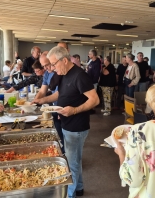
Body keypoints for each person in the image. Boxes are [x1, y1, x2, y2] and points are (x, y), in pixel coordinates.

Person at [35, 46, 99, 198]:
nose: (51, 68)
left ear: (64, 60)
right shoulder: (64, 73)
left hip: (76, 125)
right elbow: (59, 94)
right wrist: (42, 100)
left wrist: (74, 110)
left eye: (54, 64)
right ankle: (79, 188)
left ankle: (69, 195)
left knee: (71, 163)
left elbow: (95, 99)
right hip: (67, 123)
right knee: (75, 159)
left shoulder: (79, 75)